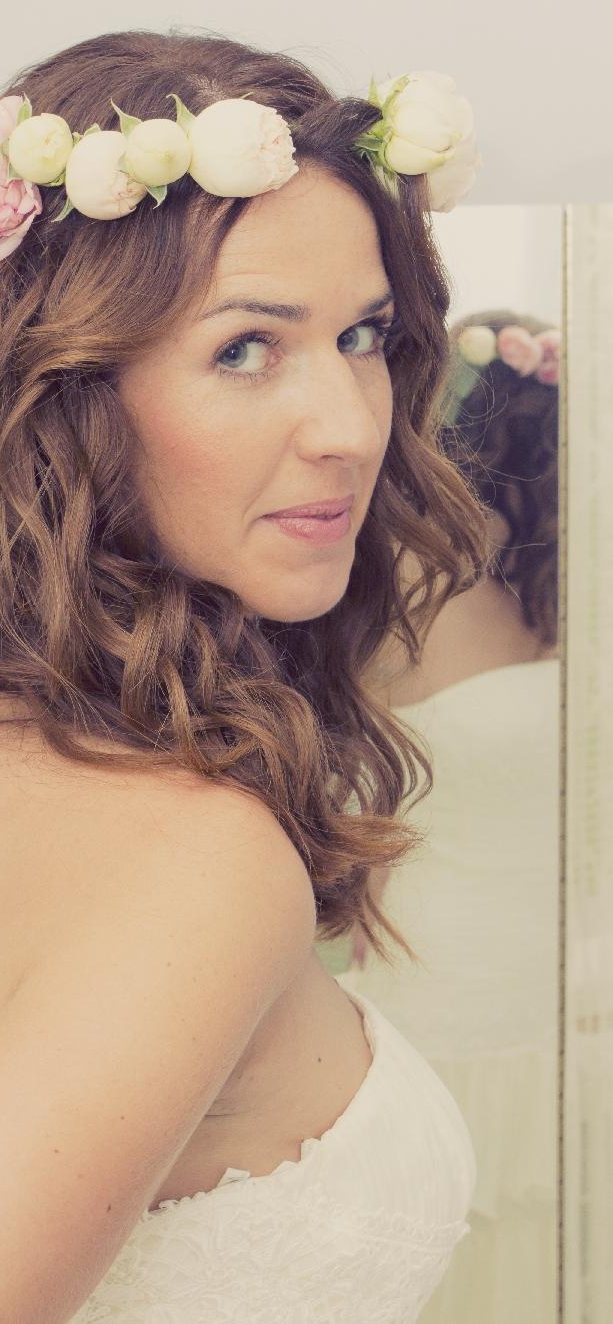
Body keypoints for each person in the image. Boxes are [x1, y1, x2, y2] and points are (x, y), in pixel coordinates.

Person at [0, 27, 489, 1323]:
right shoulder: (195, 861)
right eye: (246, 349)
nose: (350, 426)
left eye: (364, 335)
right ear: (60, 394)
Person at [341, 308, 561, 1321]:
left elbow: (365, 800)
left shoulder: (410, 584)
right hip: (470, 970)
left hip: (492, 961)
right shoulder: (410, 579)